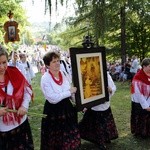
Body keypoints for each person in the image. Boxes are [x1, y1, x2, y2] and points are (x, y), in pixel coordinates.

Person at [40, 51, 81, 150]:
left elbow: (71, 92)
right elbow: (52, 98)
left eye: (58, 60)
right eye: (54, 61)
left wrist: (79, 103)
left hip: (67, 108)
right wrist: (69, 92)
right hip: (54, 111)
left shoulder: (63, 73)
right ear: (47, 65)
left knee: (70, 134)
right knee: (56, 138)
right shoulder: (45, 78)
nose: (57, 63)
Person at [0, 44, 34, 150]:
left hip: (22, 124)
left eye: (4, 62)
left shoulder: (15, 72)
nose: (1, 67)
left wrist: (24, 106)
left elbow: (27, 91)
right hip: (4, 131)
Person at [79, 71, 118, 150]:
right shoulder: (88, 74)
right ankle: (101, 141)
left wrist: (110, 90)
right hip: (94, 106)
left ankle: (106, 138)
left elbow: (113, 87)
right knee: (97, 124)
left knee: (105, 123)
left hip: (105, 105)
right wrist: (85, 105)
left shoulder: (106, 74)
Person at [131, 58, 150, 138]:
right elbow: (138, 94)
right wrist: (145, 106)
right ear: (144, 66)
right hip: (139, 102)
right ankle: (140, 132)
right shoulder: (138, 77)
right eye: (149, 66)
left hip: (148, 100)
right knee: (141, 117)